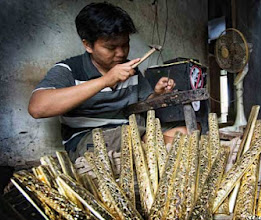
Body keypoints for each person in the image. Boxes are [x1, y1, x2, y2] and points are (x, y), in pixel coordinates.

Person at [28, 2, 185, 161]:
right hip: (91, 139)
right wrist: (105, 81)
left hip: (132, 131)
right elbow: (37, 108)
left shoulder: (131, 70)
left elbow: (144, 105)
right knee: (134, 141)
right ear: (88, 45)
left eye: (125, 45)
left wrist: (158, 95)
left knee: (188, 131)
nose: (121, 53)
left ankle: (153, 147)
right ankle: (155, 148)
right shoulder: (69, 69)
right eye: (111, 48)